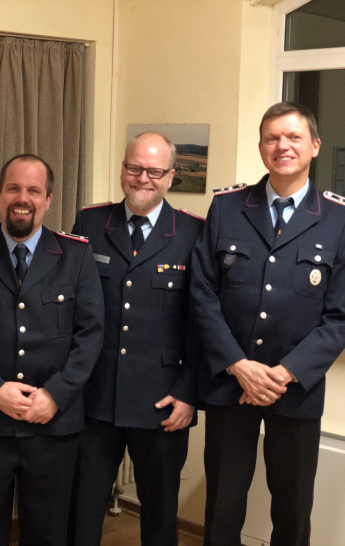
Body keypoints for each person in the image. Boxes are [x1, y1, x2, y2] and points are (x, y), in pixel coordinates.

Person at [191, 102, 345, 545]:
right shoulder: (227, 207)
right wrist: (239, 365)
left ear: (314, 146)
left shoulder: (337, 218)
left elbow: (339, 316)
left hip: (294, 387)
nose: (283, 147)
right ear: (261, 147)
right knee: (222, 503)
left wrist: (283, 372)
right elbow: (202, 294)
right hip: (230, 382)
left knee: (293, 507)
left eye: (294, 137)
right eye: (273, 138)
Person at [0, 153, 104, 546]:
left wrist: (56, 395)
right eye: (13, 188)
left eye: (33, 190)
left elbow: (91, 334)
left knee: (48, 533)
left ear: (48, 200)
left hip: (52, 423)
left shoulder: (76, 254)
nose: (22, 198)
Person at [68, 132, 202, 546]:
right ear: (123, 168)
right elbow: (71, 309)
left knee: (160, 516)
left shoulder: (193, 233)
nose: (143, 178)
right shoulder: (90, 223)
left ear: (171, 176)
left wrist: (190, 393)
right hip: (94, 398)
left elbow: (204, 322)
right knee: (81, 511)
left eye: (155, 171)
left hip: (162, 403)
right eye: (134, 168)